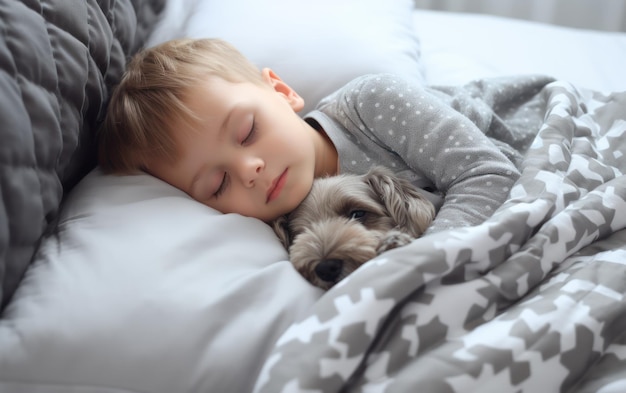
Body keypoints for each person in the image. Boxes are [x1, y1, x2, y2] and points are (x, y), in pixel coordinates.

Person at [98, 38, 522, 233]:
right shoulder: (284, 227)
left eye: (247, 132)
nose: (250, 170)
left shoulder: (372, 103)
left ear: (282, 92)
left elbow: (488, 173)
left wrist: (428, 261)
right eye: (218, 184)